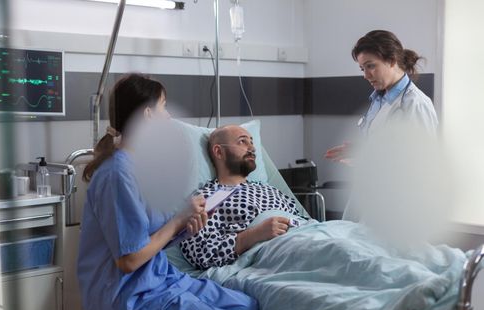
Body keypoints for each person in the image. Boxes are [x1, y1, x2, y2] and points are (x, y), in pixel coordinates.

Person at [77, 73, 258, 310]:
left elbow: (154, 232)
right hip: (127, 300)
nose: (169, 116)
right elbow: (129, 260)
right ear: (149, 115)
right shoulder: (117, 174)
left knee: (249, 308)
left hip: (160, 281)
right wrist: (176, 222)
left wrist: (187, 222)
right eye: (164, 107)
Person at [180, 125, 308, 269]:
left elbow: (304, 222)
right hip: (277, 255)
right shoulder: (208, 198)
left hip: (307, 237)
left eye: (252, 142)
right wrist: (253, 235)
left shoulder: (269, 188)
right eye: (242, 141)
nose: (252, 148)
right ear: (219, 152)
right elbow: (200, 253)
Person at [325, 29, 438, 165]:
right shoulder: (379, 99)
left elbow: (423, 162)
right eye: (362, 69)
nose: (366, 75)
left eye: (370, 66)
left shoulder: (416, 104)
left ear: (391, 60)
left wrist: (366, 161)